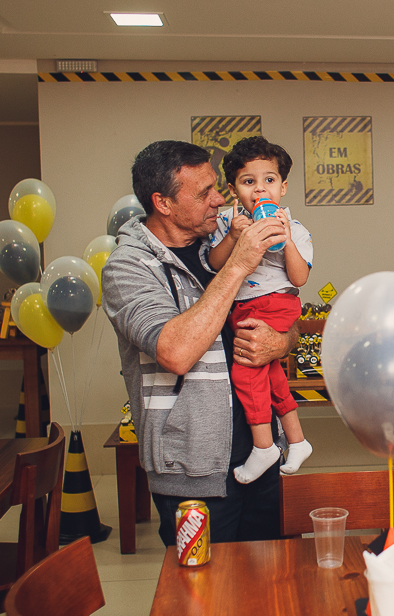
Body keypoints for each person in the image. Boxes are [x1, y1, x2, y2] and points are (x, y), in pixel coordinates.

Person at [102, 139, 297, 546]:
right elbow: (175, 352)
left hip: (263, 454)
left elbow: (286, 320)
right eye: (204, 192)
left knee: (270, 588)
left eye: (217, 187)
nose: (220, 199)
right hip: (192, 471)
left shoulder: (220, 241)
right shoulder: (128, 268)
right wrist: (240, 262)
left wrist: (280, 343)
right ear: (164, 203)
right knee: (203, 600)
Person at [208, 136, 314, 484]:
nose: (259, 189)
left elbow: (299, 278)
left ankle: (264, 445)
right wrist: (233, 239)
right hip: (242, 306)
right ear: (233, 190)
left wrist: (284, 242)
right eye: (248, 181)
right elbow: (214, 263)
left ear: (283, 187)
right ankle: (297, 440)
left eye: (269, 180)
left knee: (245, 372)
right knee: (270, 375)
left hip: (275, 304)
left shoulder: (295, 228)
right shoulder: (227, 223)